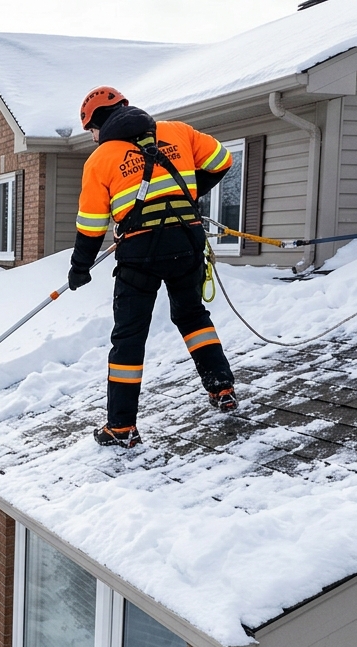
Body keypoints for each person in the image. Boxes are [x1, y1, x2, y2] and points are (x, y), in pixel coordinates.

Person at [68, 86, 239, 448]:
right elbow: (223, 161)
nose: (93, 137)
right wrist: (185, 198)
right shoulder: (178, 131)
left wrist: (79, 268)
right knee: (193, 316)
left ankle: (122, 427)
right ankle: (221, 387)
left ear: (98, 121)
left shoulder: (101, 159)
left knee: (129, 336)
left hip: (140, 252)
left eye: (90, 130)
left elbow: (90, 225)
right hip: (187, 241)